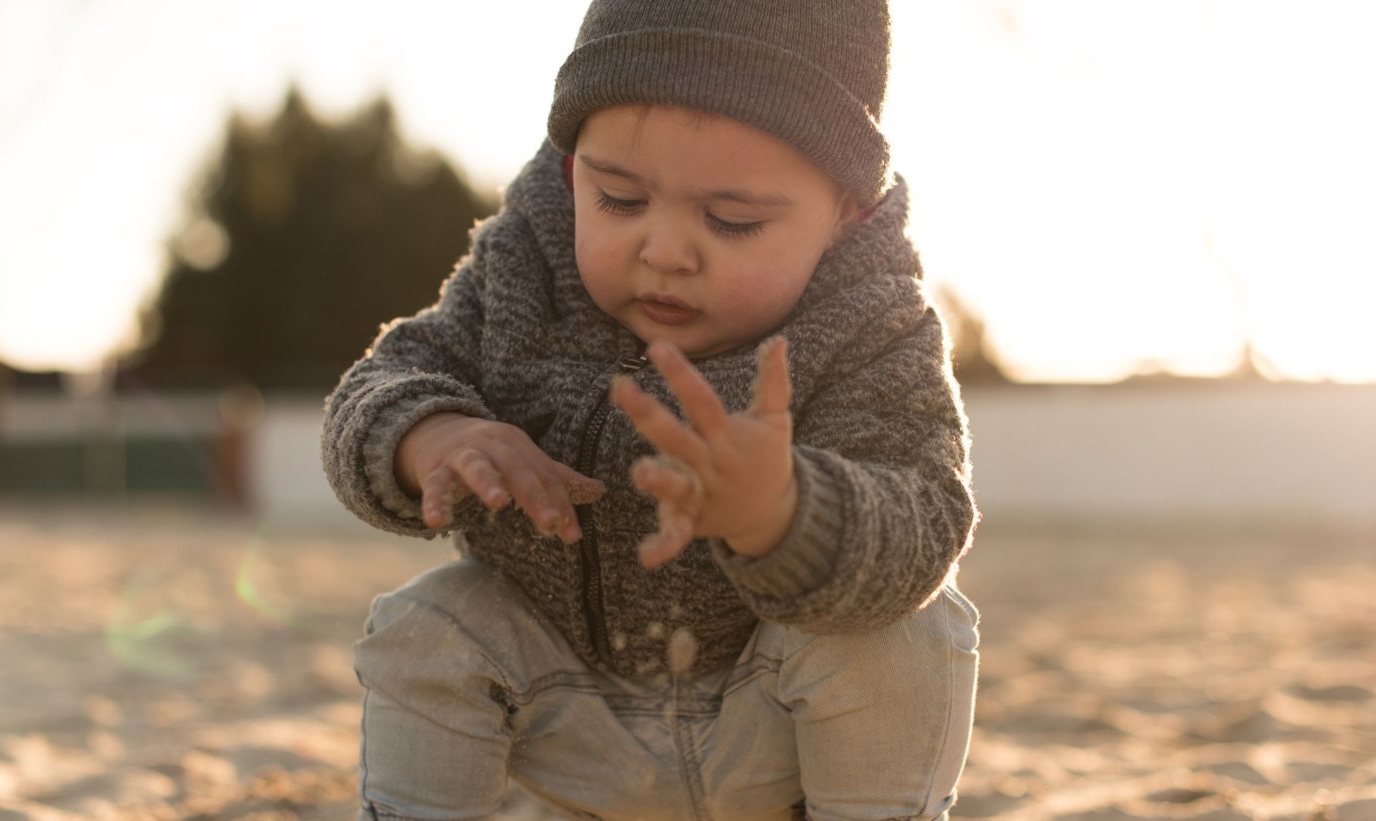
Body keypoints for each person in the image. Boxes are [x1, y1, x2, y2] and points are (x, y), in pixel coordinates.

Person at [321, 1, 981, 818]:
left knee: (912, 632)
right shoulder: (523, 267)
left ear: (844, 210)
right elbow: (381, 381)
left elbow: (926, 516)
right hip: (568, 714)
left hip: (769, 723)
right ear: (572, 171)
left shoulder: (875, 323)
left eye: (732, 219)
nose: (664, 250)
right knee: (428, 622)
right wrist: (431, 433)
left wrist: (786, 514)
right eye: (621, 200)